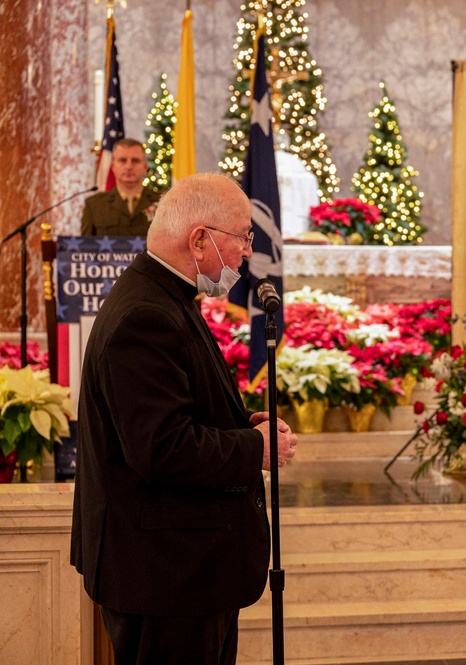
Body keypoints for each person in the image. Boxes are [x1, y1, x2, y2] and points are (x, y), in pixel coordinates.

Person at [70, 173, 298, 665]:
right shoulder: (145, 316)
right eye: (242, 237)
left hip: (178, 573)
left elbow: (177, 409)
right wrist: (253, 449)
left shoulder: (163, 296)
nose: (246, 254)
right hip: (165, 577)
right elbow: (161, 449)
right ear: (199, 240)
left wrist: (242, 425)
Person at [81, 137, 161, 237]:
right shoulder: (94, 205)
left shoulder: (162, 202)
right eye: (122, 160)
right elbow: (84, 248)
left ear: (145, 167)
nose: (129, 166)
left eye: (135, 161)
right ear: (113, 166)